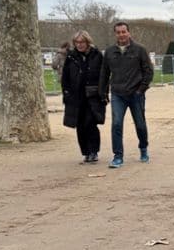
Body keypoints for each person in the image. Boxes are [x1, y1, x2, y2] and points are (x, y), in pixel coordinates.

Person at [99, 21, 154, 167]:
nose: (121, 35)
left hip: (136, 94)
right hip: (118, 94)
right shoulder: (109, 52)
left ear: (129, 33)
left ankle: (143, 148)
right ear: (115, 34)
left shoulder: (140, 50)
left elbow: (148, 71)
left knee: (140, 124)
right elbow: (104, 73)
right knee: (116, 124)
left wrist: (141, 89)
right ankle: (118, 156)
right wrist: (103, 92)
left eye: (124, 32)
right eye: (118, 32)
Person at [61, 30, 106, 163]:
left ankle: (94, 151)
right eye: (77, 42)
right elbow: (65, 77)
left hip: (93, 96)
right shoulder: (71, 57)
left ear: (88, 42)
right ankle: (86, 152)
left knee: (90, 123)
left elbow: (103, 76)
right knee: (80, 125)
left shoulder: (97, 55)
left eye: (82, 42)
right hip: (76, 96)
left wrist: (103, 92)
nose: (79, 45)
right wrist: (67, 93)